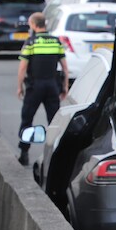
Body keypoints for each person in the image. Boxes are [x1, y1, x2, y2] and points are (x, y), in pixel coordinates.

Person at [16, 12, 69, 165]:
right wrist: (65, 86)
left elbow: (22, 68)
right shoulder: (56, 42)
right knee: (54, 121)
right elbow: (65, 67)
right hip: (52, 86)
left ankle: (24, 153)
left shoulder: (31, 42)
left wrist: (20, 86)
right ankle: (56, 154)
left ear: (33, 25)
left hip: (35, 87)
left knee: (27, 119)